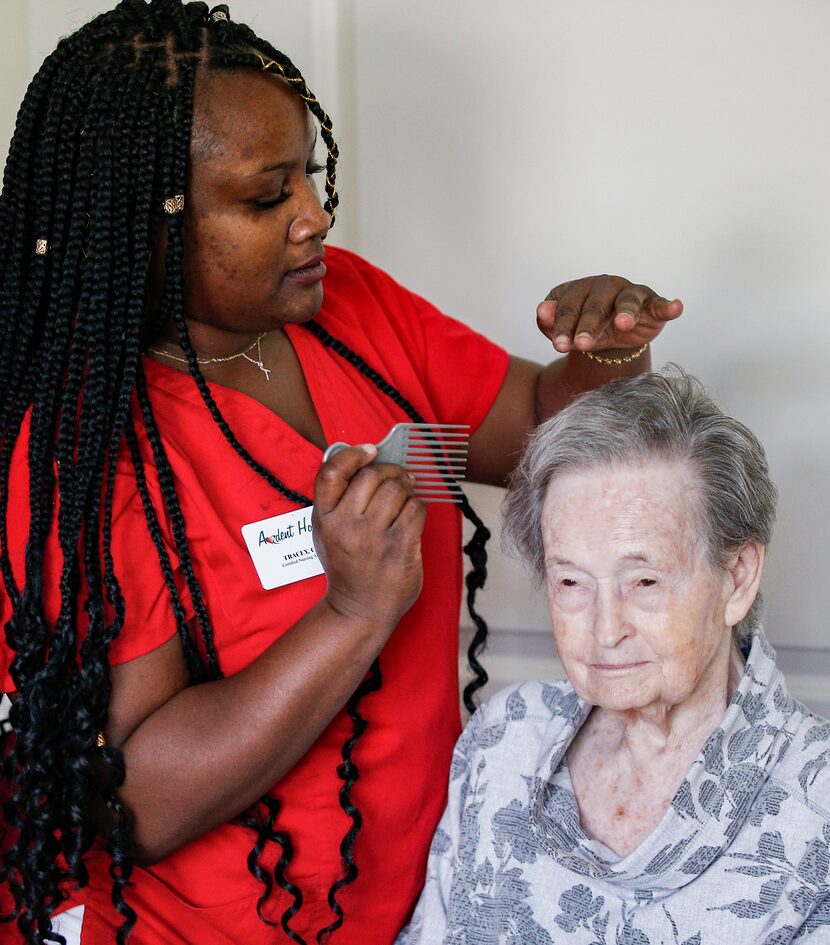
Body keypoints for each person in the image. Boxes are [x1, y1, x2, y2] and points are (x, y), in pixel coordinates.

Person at [0, 3, 684, 943]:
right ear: (143, 228)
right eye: (264, 197)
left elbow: (536, 433)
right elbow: (141, 800)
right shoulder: (85, 450)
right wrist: (353, 610)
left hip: (411, 898)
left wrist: (601, 357)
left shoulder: (353, 313)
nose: (312, 218)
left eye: (308, 179)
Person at [397, 370, 830, 945]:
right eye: (571, 582)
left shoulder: (815, 804)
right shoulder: (506, 736)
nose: (604, 630)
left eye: (644, 581)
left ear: (737, 578)